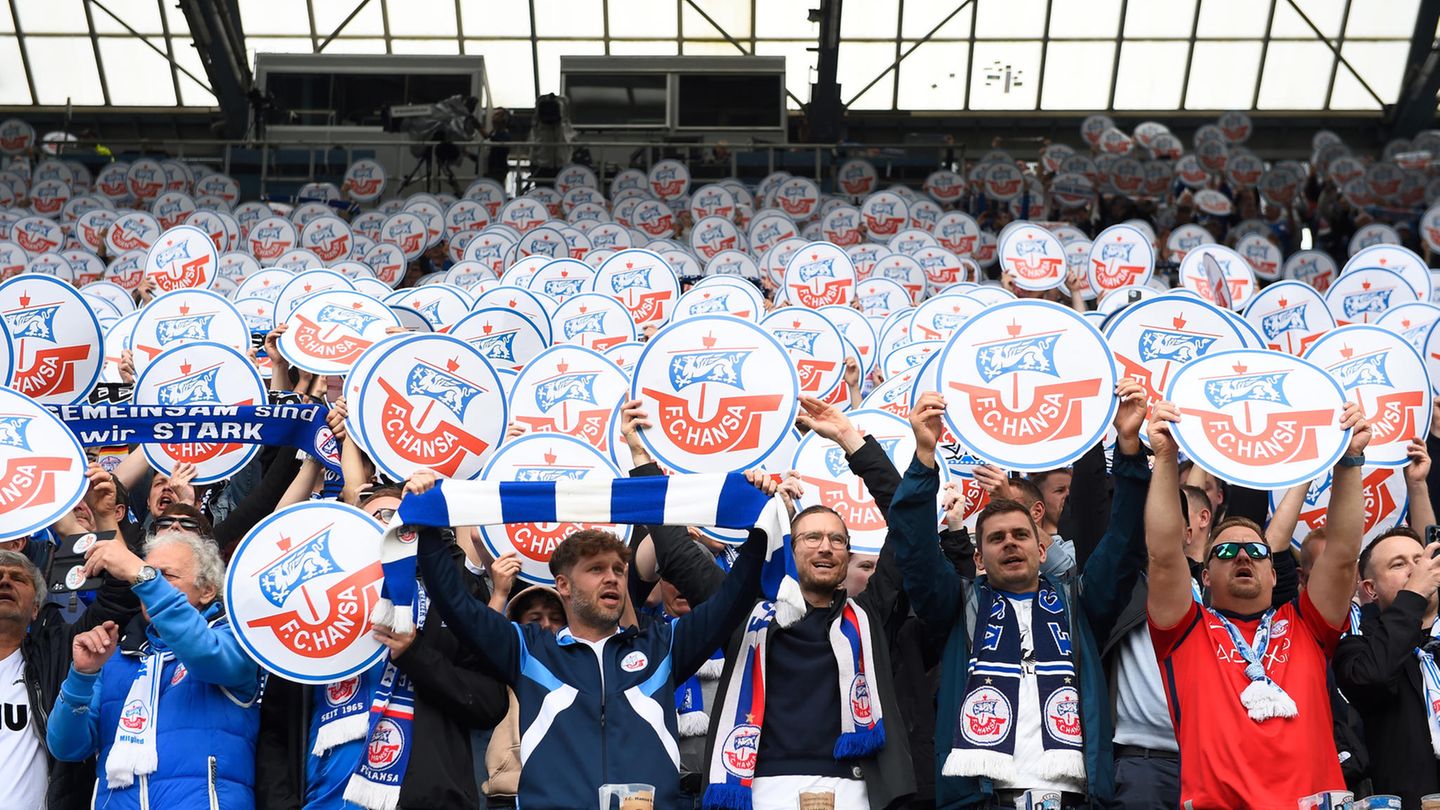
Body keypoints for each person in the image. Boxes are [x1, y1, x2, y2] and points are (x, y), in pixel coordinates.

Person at [408, 466, 784, 809]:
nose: (612, 578)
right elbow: (455, 602)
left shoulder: (663, 646)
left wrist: (759, 523)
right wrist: (426, 522)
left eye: (619, 570)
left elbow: (732, 599)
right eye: (596, 569)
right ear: (563, 585)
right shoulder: (527, 650)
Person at [886, 383, 1151, 809]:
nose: (1009, 542)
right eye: (996, 538)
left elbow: (1124, 542)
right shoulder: (960, 607)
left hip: (1073, 799)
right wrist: (923, 458)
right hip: (983, 799)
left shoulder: (1078, 604)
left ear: (1042, 549)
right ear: (978, 557)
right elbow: (915, 549)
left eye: (1020, 535)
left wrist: (1129, 447)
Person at [1145, 399, 1370, 808]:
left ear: (1274, 574)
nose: (1243, 557)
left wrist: (1349, 461)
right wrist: (1164, 458)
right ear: (1205, 576)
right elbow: (1163, 554)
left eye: (1256, 551)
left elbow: (1341, 555)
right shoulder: (1184, 630)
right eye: (1226, 551)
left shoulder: (1307, 625)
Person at [254, 489, 510, 810]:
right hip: (323, 800)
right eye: (377, 517)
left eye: (403, 520)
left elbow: (489, 704)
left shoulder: (449, 607)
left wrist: (415, 654)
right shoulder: (310, 615)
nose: (390, 526)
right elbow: (276, 733)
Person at [46, 530, 262, 809]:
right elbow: (66, 747)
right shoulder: (116, 657)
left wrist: (142, 574)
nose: (147, 583)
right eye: (148, 574)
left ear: (207, 590)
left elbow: (204, 652)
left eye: (166, 575)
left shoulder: (234, 639)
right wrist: (82, 676)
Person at [1333, 515, 1440, 805]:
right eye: (1398, 564)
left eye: (1420, 560)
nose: (1416, 569)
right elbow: (1374, 678)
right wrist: (1414, 594)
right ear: (1370, 589)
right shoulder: (1357, 649)